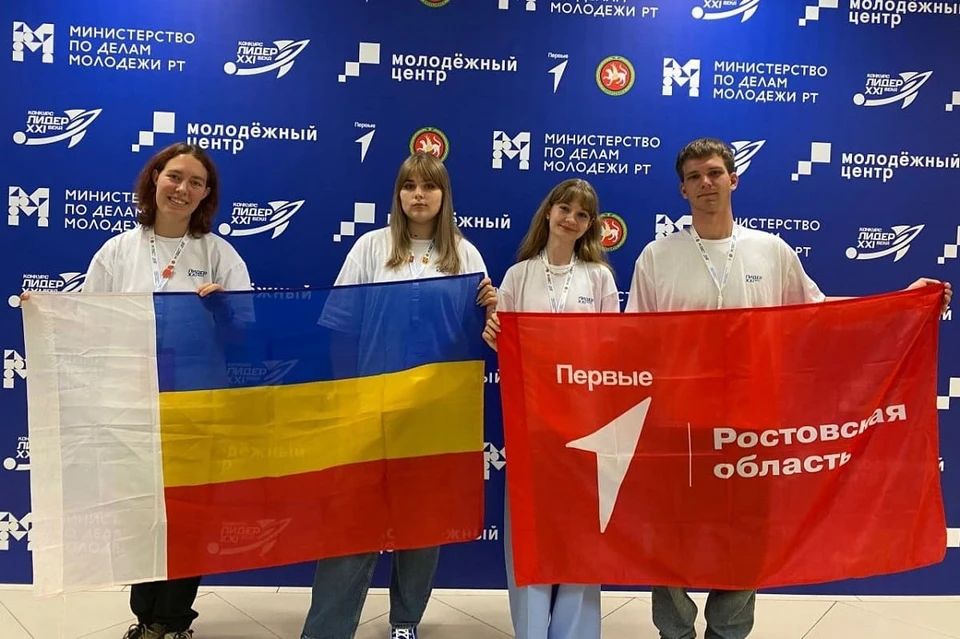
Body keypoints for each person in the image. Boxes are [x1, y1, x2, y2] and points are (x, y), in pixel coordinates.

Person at [625, 137, 952, 639]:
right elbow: (632, 338)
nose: (705, 183)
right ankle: (676, 633)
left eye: (714, 173)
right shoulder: (656, 256)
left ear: (733, 179)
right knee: (669, 534)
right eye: (694, 177)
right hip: (677, 423)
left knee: (745, 536)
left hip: (752, 421)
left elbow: (818, 315)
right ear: (682, 190)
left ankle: (728, 632)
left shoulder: (771, 250)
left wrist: (903, 302)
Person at [20, 142, 253, 639]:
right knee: (138, 510)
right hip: (130, 403)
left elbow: (244, 333)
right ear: (154, 180)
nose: (182, 188)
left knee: (188, 513)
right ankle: (146, 618)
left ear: (206, 195)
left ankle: (173, 620)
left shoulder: (219, 254)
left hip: (195, 404)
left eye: (195, 182)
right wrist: (44, 311)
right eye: (174, 176)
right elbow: (86, 321)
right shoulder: (118, 250)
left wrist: (224, 310)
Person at [301, 151, 497, 639]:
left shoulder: (465, 256)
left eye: (428, 186)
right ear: (398, 194)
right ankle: (327, 629)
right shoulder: (371, 247)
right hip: (371, 409)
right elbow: (340, 327)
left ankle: (405, 621)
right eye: (409, 185)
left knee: (422, 525)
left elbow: (480, 333)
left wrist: (492, 308)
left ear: (444, 196)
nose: (418, 195)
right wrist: (350, 396)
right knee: (351, 523)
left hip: (434, 415)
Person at [482, 178, 619, 639]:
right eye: (565, 209)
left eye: (582, 214)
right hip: (532, 420)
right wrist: (495, 335)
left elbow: (611, 350)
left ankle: (574, 631)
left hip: (585, 421)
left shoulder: (599, 278)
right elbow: (505, 344)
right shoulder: (519, 275)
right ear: (548, 212)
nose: (571, 219)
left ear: (590, 225)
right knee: (529, 528)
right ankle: (531, 629)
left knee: (582, 530)